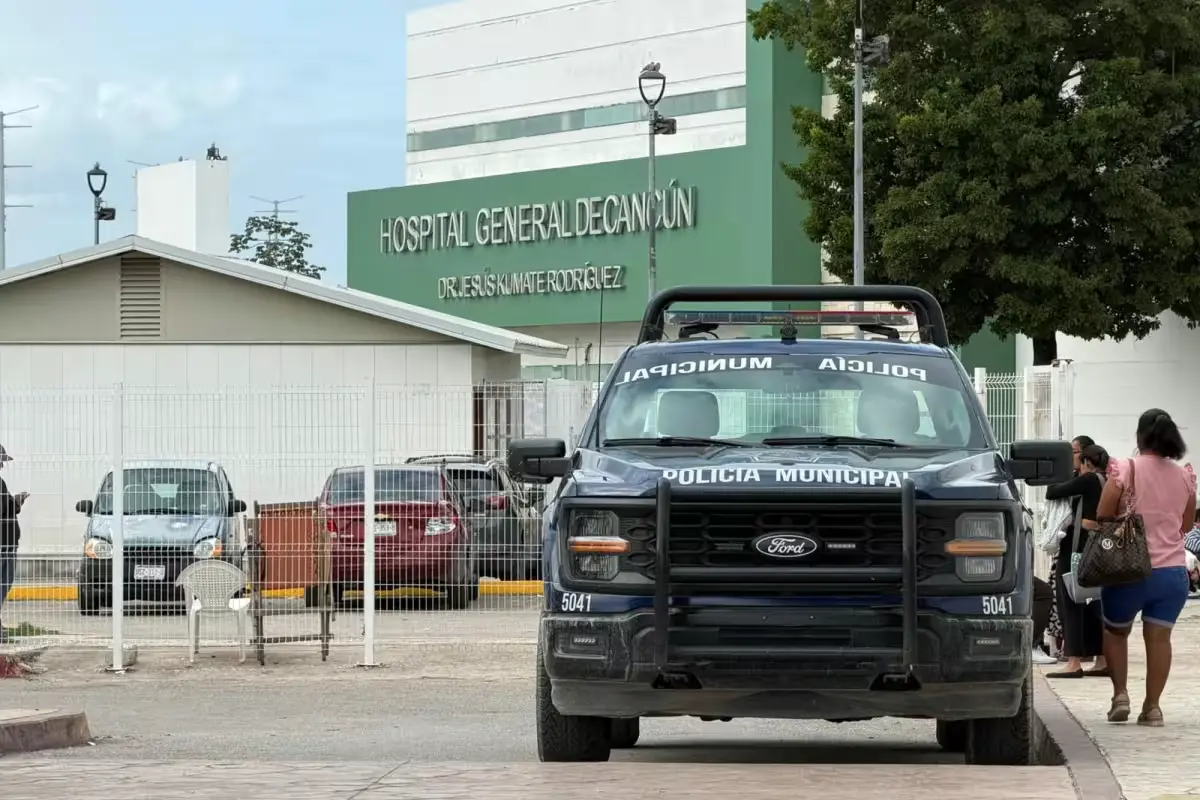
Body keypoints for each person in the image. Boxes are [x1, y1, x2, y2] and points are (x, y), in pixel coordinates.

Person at [1096, 409, 1195, 727]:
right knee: (1159, 638)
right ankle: (1152, 708)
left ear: (1140, 436)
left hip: (1127, 569)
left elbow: (1103, 514)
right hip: (1171, 574)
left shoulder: (1125, 469)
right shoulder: (1184, 476)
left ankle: (1120, 695)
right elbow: (1187, 523)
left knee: (1115, 631)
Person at [1044, 443, 1110, 678]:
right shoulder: (1105, 480)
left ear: (1086, 461)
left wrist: (1059, 472)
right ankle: (1101, 659)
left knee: (1070, 603)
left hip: (1076, 550)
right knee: (1094, 604)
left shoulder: (1088, 480)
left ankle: (1074, 662)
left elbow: (1052, 491)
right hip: (1096, 550)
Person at [0, 444, 29, 643]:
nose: (2, 465)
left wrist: (14, 503)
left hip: (7, 543)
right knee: (2, 584)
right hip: (3, 544)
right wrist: (15, 502)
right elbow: (4, 509)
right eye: (1, 460)